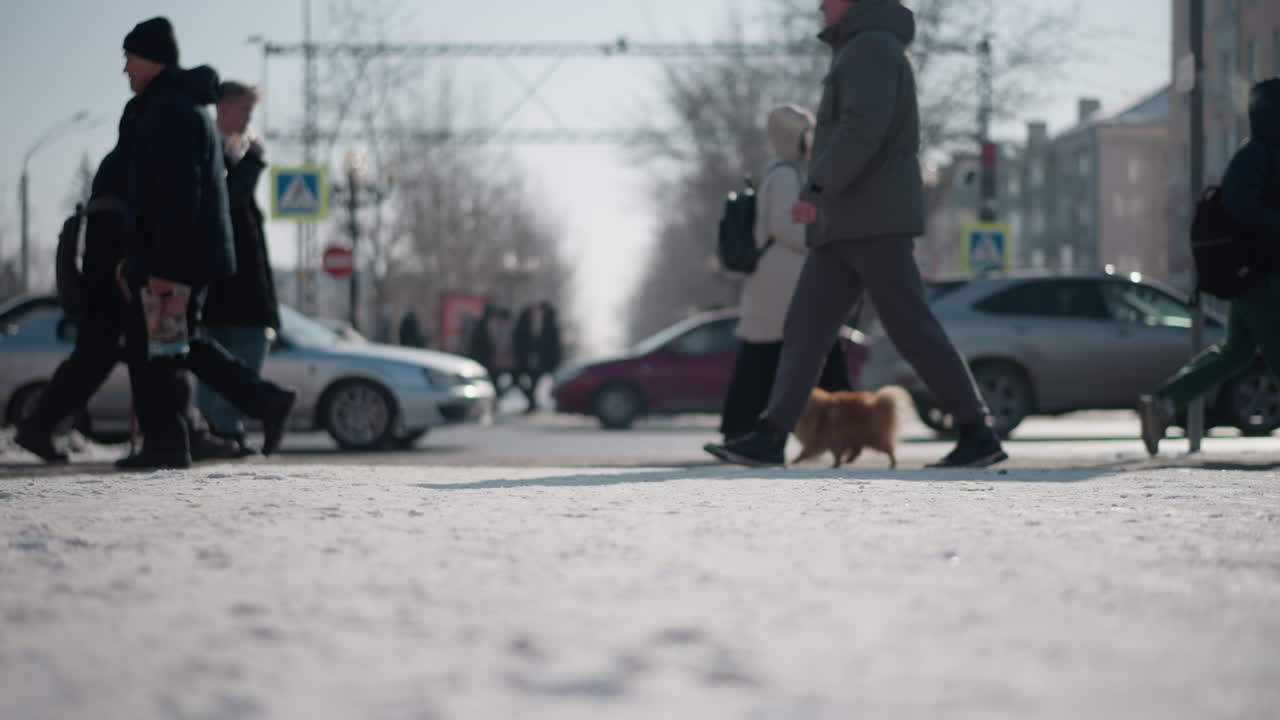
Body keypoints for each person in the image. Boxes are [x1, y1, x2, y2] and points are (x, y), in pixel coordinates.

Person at [704, 0, 1005, 469]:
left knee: (911, 328)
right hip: (843, 222)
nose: (819, 5)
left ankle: (976, 430)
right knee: (804, 328)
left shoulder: (872, 48)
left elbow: (863, 131)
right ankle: (771, 434)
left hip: (873, 219)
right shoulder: (861, 48)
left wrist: (817, 187)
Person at [115, 16, 297, 470]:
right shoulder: (174, 106)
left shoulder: (171, 111)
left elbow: (180, 195)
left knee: (159, 345)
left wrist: (164, 264)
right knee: (173, 343)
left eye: (130, 59)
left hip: (173, 256)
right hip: (176, 254)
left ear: (152, 59)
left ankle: (170, 442)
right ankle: (257, 406)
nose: (126, 70)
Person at [1139, 78, 1280, 455]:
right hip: (1262, 274)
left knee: (1237, 350)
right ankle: (1165, 403)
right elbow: (1239, 205)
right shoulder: (1258, 153)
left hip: (1258, 272)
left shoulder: (1264, 151)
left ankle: (1165, 403)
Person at [711, 104, 852, 445]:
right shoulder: (787, 176)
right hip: (785, 282)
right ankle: (846, 426)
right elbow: (786, 226)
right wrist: (822, 234)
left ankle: (739, 428)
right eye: (807, 137)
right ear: (795, 139)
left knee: (762, 358)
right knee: (817, 351)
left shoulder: (777, 172)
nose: (811, 145)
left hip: (772, 282)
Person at [196, 80, 281, 457]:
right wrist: (252, 164)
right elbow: (223, 202)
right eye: (244, 110)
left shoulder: (226, 147)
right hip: (229, 280)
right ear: (225, 107)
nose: (248, 118)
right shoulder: (211, 146)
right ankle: (221, 429)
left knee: (225, 353)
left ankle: (221, 428)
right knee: (243, 350)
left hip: (232, 276)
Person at [512, 301, 564, 412]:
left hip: (545, 360)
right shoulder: (526, 322)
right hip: (529, 360)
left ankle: (554, 403)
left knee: (553, 383)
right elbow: (519, 341)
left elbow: (555, 344)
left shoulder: (550, 323)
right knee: (526, 382)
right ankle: (532, 402)